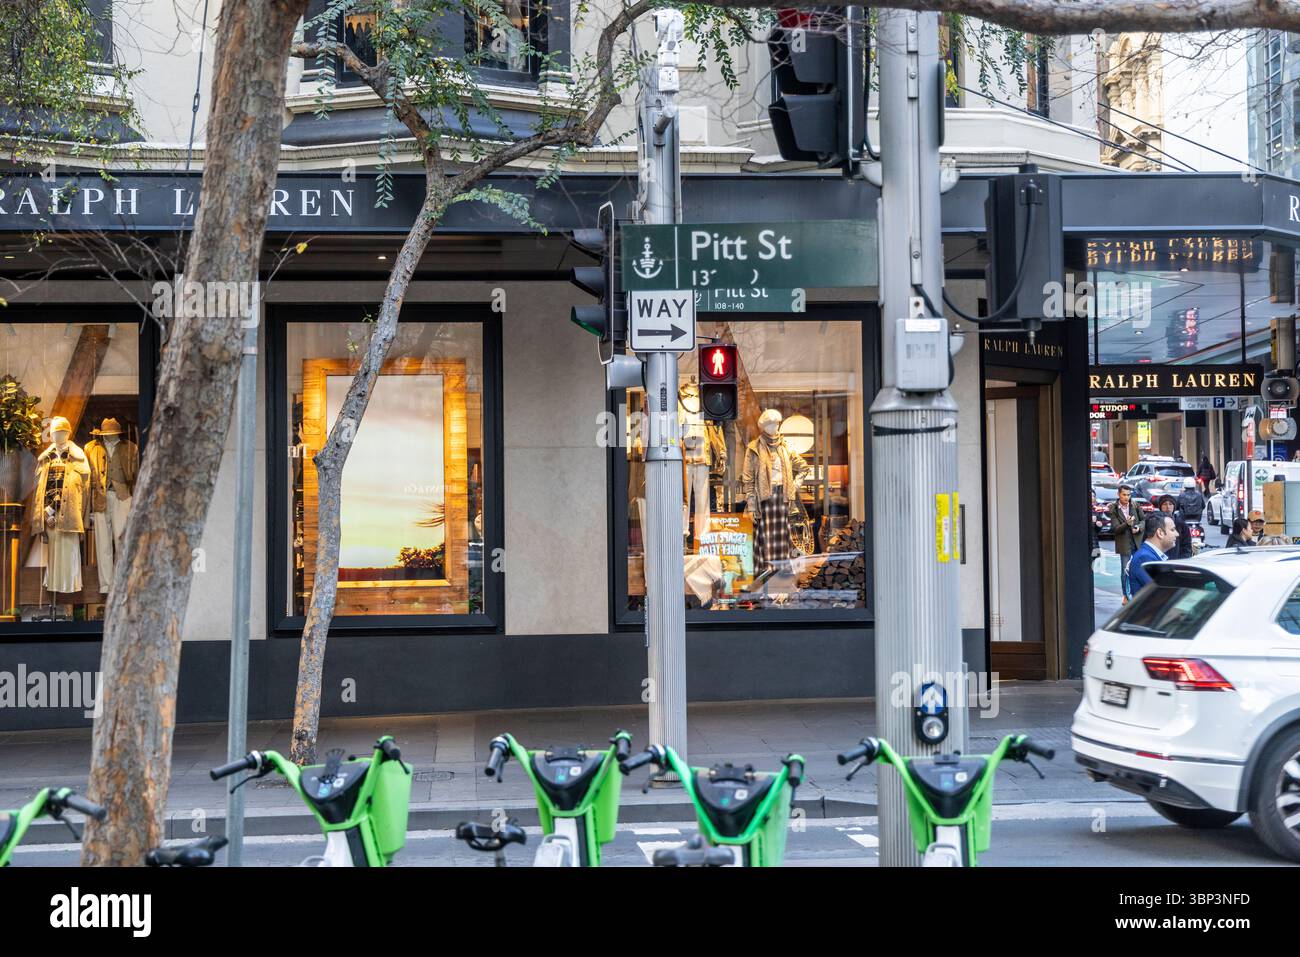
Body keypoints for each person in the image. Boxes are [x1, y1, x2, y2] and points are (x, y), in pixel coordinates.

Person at [1108, 484, 1143, 604]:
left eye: (1128, 495)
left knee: (1139, 568)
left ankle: (1138, 593)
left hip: (1137, 542)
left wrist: (1138, 527)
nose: (1126, 497)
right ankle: (1126, 595)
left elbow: (1144, 520)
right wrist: (1127, 524)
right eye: (1124, 495)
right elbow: (1116, 529)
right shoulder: (1113, 508)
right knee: (1125, 571)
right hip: (1124, 544)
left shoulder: (1135, 505)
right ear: (1118, 494)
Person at [1129, 513, 1179, 593]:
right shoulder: (1144, 558)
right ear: (1160, 533)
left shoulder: (1149, 555)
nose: (1177, 534)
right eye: (1172, 530)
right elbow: (1163, 592)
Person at [1157, 494, 1191, 558]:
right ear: (1160, 507)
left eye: (1170, 504)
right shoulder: (1155, 523)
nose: (1168, 507)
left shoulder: (1181, 525)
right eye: (1164, 504)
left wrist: (1181, 561)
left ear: (1174, 506)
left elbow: (1186, 547)